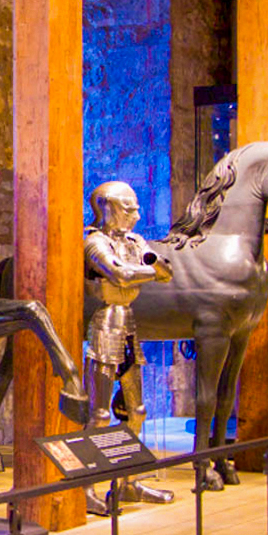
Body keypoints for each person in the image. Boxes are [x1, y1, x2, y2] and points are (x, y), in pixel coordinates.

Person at [82, 181, 174, 516]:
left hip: (130, 323)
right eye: (127, 207)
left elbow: (168, 272)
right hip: (106, 324)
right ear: (105, 206)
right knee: (100, 413)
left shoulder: (134, 241)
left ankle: (127, 481)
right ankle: (87, 487)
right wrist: (150, 270)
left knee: (137, 411)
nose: (135, 214)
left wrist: (146, 270)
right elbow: (118, 274)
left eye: (136, 207)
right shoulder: (94, 241)